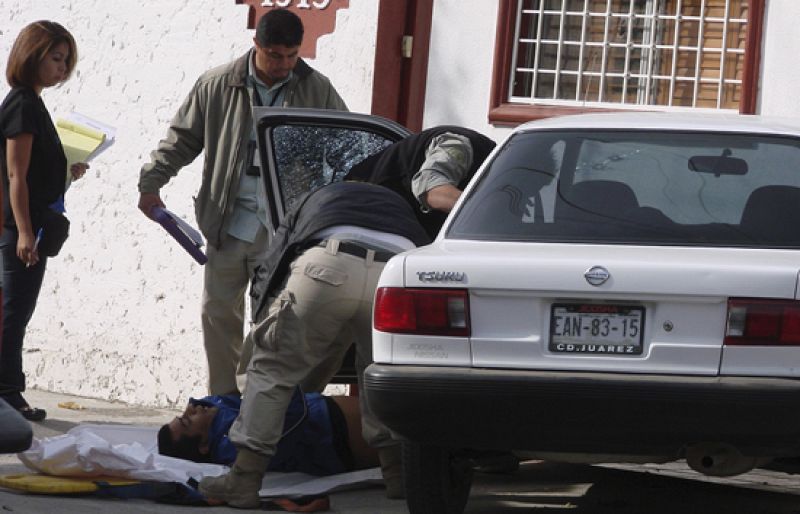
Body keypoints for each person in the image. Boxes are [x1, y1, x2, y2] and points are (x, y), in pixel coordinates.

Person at [137, 8, 348, 398]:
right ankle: (221, 402)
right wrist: (151, 183)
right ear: (256, 46)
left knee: (271, 321)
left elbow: (345, 147)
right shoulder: (217, 83)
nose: (284, 65)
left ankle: (253, 401)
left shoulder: (317, 89)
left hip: (282, 227)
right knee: (217, 315)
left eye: (292, 56)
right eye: (274, 55)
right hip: (228, 220)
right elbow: (182, 140)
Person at [197, 181, 430, 508]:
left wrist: (265, 325)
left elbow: (275, 261)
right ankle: (398, 476)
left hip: (328, 263)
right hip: (395, 272)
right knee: (382, 376)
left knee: (272, 371)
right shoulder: (399, 205)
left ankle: (244, 480)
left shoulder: (317, 198)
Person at [0, 21, 88, 421]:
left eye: (66, 59)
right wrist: (22, 232)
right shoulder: (21, 104)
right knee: (13, 312)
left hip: (28, 225)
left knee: (15, 310)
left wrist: (68, 170)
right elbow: (16, 175)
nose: (61, 67)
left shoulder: (32, 103)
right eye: (55, 57)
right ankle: (8, 394)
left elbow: (33, 172)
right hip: (18, 229)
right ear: (32, 55)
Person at [158, 389, 377, 475]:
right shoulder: (232, 445)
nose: (192, 408)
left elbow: (221, 401)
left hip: (328, 417)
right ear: (204, 445)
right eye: (188, 419)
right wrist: (280, 378)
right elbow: (287, 418)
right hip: (339, 437)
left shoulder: (220, 417)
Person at [345, 125, 496, 238]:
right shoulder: (460, 145)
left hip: (384, 230)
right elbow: (432, 190)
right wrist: (491, 214)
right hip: (352, 218)